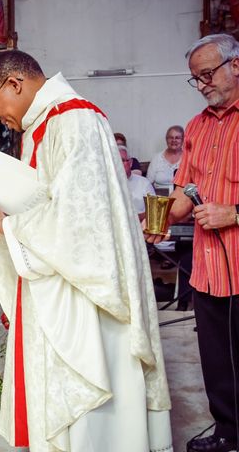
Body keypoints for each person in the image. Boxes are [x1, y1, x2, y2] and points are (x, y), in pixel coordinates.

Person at [0, 50, 172, 451]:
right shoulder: (44, 125)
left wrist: (1, 225)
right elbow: (44, 204)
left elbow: (80, 221)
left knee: (89, 388)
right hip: (58, 279)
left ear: (15, 83)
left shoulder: (74, 120)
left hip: (84, 290)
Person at [145, 33, 239, 452]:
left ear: (235, 65)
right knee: (216, 361)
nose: (201, 85)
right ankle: (227, 432)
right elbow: (184, 191)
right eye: (195, 79)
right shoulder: (198, 126)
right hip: (207, 268)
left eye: (206, 75)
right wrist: (160, 220)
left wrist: (234, 213)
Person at [120, 145, 155, 221]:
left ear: (130, 163)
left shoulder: (144, 183)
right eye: (115, 161)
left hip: (140, 226)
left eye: (122, 160)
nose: (118, 164)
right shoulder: (107, 185)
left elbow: (153, 210)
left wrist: (133, 218)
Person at [146, 125, 184, 194]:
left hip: (182, 199)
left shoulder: (188, 158)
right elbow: (148, 183)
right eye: (170, 137)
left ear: (183, 140)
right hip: (160, 199)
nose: (174, 140)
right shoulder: (157, 159)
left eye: (177, 138)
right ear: (166, 139)